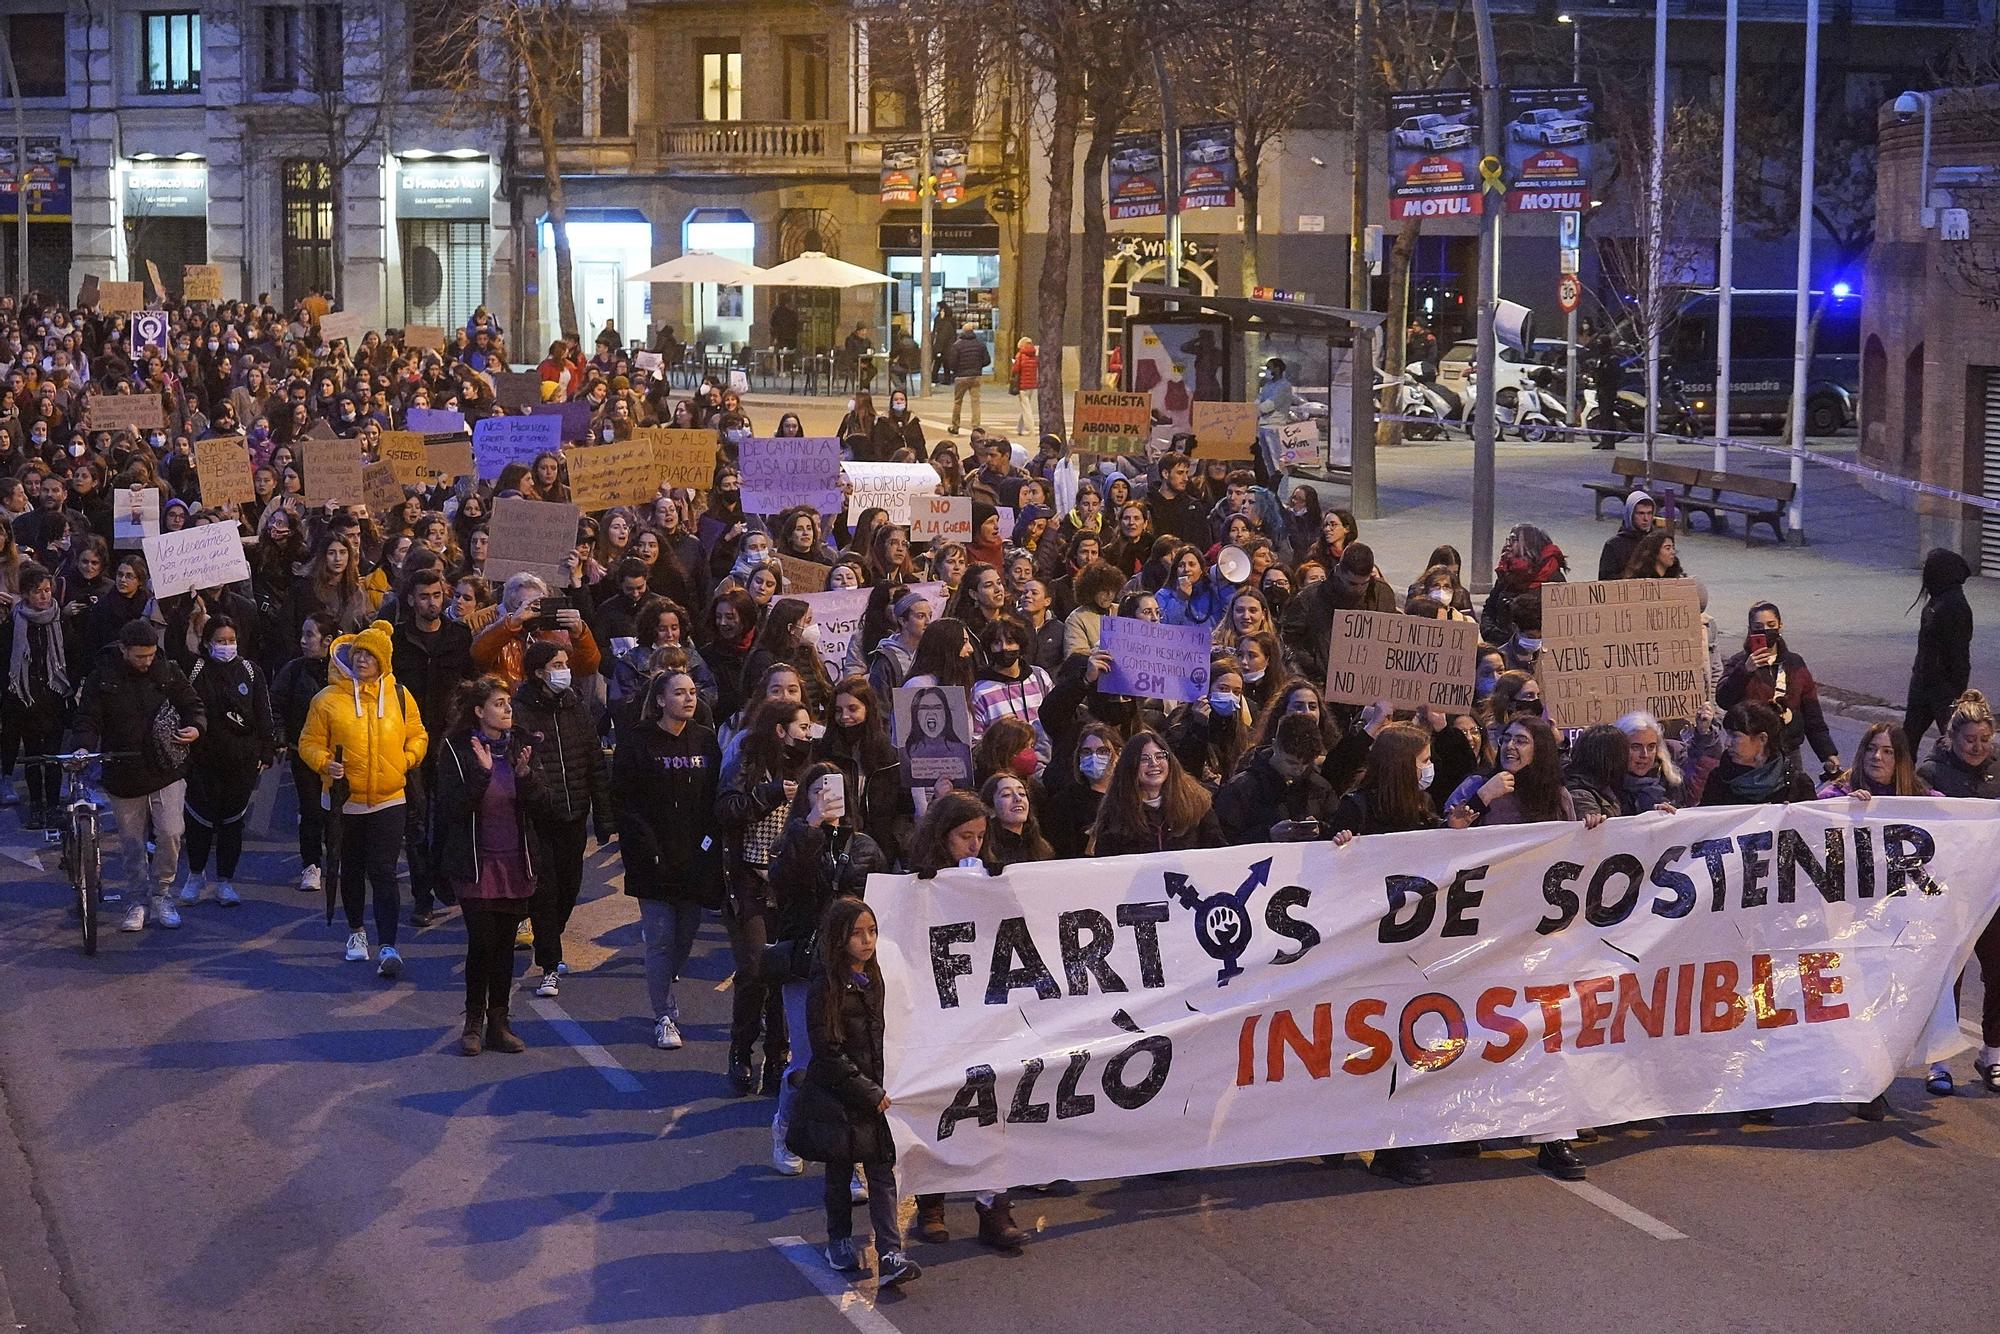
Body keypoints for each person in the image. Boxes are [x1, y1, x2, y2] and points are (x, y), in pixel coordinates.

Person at [903, 790, 1030, 1250]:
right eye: (964, 837)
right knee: (938, 1103)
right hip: (936, 1013)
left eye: (980, 836)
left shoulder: (992, 875)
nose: (974, 846)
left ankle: (994, 1207)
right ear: (942, 836)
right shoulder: (914, 881)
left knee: (993, 1107)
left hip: (985, 1009)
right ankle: (930, 1204)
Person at [791, 897, 921, 1287]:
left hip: (874, 1094)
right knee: (840, 1172)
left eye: (873, 932)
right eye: (857, 934)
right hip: (839, 1098)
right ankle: (839, 1241)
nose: (867, 941)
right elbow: (827, 1052)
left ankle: (890, 1253)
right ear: (838, 938)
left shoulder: (879, 978)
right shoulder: (826, 987)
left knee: (882, 1173)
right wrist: (866, 1090)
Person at [769, 763, 887, 1178]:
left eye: (832, 788)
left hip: (855, 968)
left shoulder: (865, 846)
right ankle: (785, 1129)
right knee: (804, 1057)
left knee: (856, 1061)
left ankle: (854, 1155)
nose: (826, 795)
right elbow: (784, 884)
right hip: (806, 964)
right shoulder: (794, 839)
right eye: (817, 789)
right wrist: (811, 827)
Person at [298, 620, 429, 976]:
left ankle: (388, 945)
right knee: (351, 870)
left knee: (384, 872)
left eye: (370, 655)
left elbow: (417, 735)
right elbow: (308, 743)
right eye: (358, 653)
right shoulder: (326, 700)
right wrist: (326, 763)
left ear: (383, 659)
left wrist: (406, 760)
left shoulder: (400, 695)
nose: (362, 660)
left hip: (390, 799)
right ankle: (356, 932)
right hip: (345, 802)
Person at [613, 667, 724, 1051]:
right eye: (679, 693)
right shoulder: (637, 742)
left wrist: (708, 848)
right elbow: (626, 804)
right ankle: (665, 1015)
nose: (689, 698)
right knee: (660, 939)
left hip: (695, 860)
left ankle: (665, 981)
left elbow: (714, 800)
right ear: (660, 700)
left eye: (693, 692)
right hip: (654, 861)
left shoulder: (706, 741)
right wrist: (648, 851)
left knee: (684, 936)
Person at [71, 620, 206, 933]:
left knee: (171, 833)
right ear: (123, 650)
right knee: (132, 844)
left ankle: (162, 894)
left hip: (166, 768)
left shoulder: (168, 671)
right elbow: (88, 719)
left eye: (150, 655)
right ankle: (137, 901)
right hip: (123, 772)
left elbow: (192, 704)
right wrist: (82, 747)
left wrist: (196, 726)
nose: (147, 662)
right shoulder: (101, 678)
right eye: (139, 656)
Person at [431, 677, 542, 1056]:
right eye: (498, 703)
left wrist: (526, 777)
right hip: (476, 864)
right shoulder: (457, 749)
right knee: (482, 943)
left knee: (505, 947)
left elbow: (540, 804)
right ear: (479, 712)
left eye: (508, 703)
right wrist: (480, 774)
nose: (507, 709)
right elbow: (451, 809)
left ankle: (500, 1022)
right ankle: (473, 1022)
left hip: (515, 862)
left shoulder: (521, 748)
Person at [717, 699, 818, 1096]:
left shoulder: (811, 769)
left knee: (785, 972)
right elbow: (727, 809)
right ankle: (741, 1051)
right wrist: (771, 793)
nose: (808, 734)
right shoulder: (748, 761)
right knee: (755, 969)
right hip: (750, 882)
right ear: (780, 730)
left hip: (789, 887)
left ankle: (778, 1055)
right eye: (802, 726)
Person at [512, 641, 613, 997]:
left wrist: (603, 817)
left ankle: (548, 938)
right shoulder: (520, 711)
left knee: (569, 886)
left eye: (565, 663)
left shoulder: (574, 707)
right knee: (546, 889)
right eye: (557, 664)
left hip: (574, 816)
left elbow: (593, 762)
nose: (564, 669)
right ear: (539, 672)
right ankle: (550, 962)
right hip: (540, 818)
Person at [1912, 691, 2000, 1096]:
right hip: (1948, 896)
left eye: (1985, 739)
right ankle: (1939, 1062)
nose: (1978, 747)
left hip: (1994, 894)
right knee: (1948, 978)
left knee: (1998, 974)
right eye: (1970, 740)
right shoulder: (1931, 773)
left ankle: (1992, 1055)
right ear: (1952, 739)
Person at [390, 566, 476, 926]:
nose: (432, 602)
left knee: (448, 816)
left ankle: (442, 876)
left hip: (449, 740)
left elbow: (470, 685)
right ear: (411, 600)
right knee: (416, 821)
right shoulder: (396, 639)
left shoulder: (458, 637)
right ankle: (422, 896)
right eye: (424, 596)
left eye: (437, 595)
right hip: (408, 741)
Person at [177, 617, 274, 908]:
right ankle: (195, 876)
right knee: (199, 820)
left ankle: (225, 881)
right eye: (220, 641)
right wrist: (186, 607)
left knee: (232, 822)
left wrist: (267, 749)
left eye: (231, 640)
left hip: (240, 761)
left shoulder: (250, 671)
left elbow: (263, 712)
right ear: (207, 642)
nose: (226, 646)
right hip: (201, 760)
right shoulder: (194, 670)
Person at [1715, 602, 1838, 777]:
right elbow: (1723, 699)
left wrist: (1827, 753)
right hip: (1749, 757)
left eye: (1771, 625)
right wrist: (1745, 671)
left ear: (1780, 626)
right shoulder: (1739, 663)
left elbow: (1812, 715)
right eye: (1758, 627)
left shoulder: (1795, 664)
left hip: (1789, 755)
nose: (1765, 630)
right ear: (1750, 630)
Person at [1, 565, 80, 830]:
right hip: (25, 700)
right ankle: (36, 804)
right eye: (38, 592)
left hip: (54, 698)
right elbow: (6, 662)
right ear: (25, 594)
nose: (44, 596)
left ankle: (54, 805)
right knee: (34, 756)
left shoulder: (61, 620)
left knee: (53, 756)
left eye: (47, 590)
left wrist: (69, 687)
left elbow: (71, 655)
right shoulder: (14, 623)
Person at [274, 614, 336, 892]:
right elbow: (275, 705)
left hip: (340, 758)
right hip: (305, 755)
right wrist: (280, 738)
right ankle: (311, 864)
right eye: (302, 634)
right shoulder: (293, 670)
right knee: (311, 810)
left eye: (309, 635)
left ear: (328, 640)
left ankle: (338, 861)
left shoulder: (344, 671)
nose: (303, 640)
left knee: (339, 812)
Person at [1088, 729, 1224, 856]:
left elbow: (1219, 854)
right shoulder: (1114, 812)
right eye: (1144, 759)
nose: (1154, 763)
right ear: (1130, 766)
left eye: (1160, 756)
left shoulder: (1197, 802)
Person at [1214, 712, 1338, 844]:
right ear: (1274, 746)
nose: (1298, 771)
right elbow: (1221, 842)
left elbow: (1336, 825)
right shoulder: (1240, 789)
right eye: (1291, 763)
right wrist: (1267, 835)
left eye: (1306, 764)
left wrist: (1323, 830)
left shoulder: (1320, 787)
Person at [1904, 548, 1973, 752]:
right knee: (1907, 739)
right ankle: (1902, 780)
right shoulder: (1939, 600)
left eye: (1929, 567)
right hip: (1924, 681)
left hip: (1942, 687)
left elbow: (1959, 653)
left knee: (1954, 740)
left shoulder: (1954, 606)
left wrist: (1956, 693)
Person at [1696, 701, 1816, 807]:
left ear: (1762, 739)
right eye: (1727, 735)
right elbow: (1703, 825)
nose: (1727, 743)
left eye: (1735, 736)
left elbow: (1814, 828)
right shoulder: (1719, 779)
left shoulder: (1797, 786)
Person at [1596, 490, 1657, 580]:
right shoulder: (1614, 545)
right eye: (1640, 513)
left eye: (1649, 513)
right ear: (1630, 514)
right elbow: (1604, 581)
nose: (1646, 519)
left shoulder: (1657, 541)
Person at [946, 324, 991, 435]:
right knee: (975, 402)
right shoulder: (980, 344)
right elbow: (987, 360)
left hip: (961, 377)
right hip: (975, 376)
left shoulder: (957, 345)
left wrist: (956, 371)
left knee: (958, 402)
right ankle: (976, 426)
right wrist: (978, 366)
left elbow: (952, 363)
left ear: (963, 331)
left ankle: (955, 426)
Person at [1011, 336, 1039, 433]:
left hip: (1022, 384)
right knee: (1025, 405)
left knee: (1026, 408)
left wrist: (1014, 364)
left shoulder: (1020, 355)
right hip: (1032, 384)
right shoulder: (1034, 355)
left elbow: (1015, 370)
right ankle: (1020, 428)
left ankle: (1031, 429)